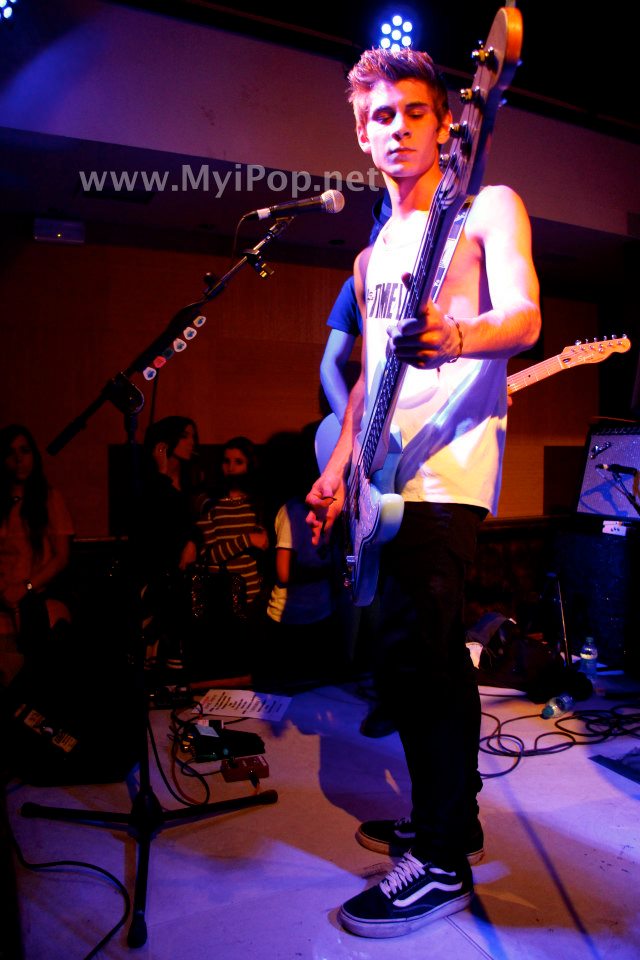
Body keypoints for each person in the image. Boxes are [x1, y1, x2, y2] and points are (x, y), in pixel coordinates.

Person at [306, 45, 541, 938]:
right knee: (417, 661)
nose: (398, 128)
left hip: (448, 472)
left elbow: (526, 316)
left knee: (422, 659)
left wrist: (459, 335)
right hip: (382, 478)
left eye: (414, 111)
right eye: (381, 116)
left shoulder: (485, 206)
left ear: (448, 124)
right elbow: (370, 379)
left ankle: (439, 861)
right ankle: (451, 823)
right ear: (360, 135)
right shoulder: (371, 258)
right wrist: (338, 468)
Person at [0, 424, 75, 686]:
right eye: (10, 453)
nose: (18, 459)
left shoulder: (49, 498)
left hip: (35, 598)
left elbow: (61, 557)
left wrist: (26, 587)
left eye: (24, 451)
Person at [197, 436, 270, 674]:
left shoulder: (257, 504)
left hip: (253, 597)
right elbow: (209, 556)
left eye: (238, 462)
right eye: (226, 461)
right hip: (220, 597)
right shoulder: (210, 505)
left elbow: (265, 545)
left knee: (249, 665)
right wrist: (246, 540)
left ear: (249, 465)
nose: (231, 467)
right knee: (223, 664)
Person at [136, 415, 202, 673]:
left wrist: (192, 541)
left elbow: (194, 524)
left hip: (183, 575)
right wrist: (161, 473)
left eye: (193, 436)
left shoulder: (190, 480)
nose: (191, 442)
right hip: (157, 573)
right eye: (185, 436)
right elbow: (154, 522)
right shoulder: (150, 484)